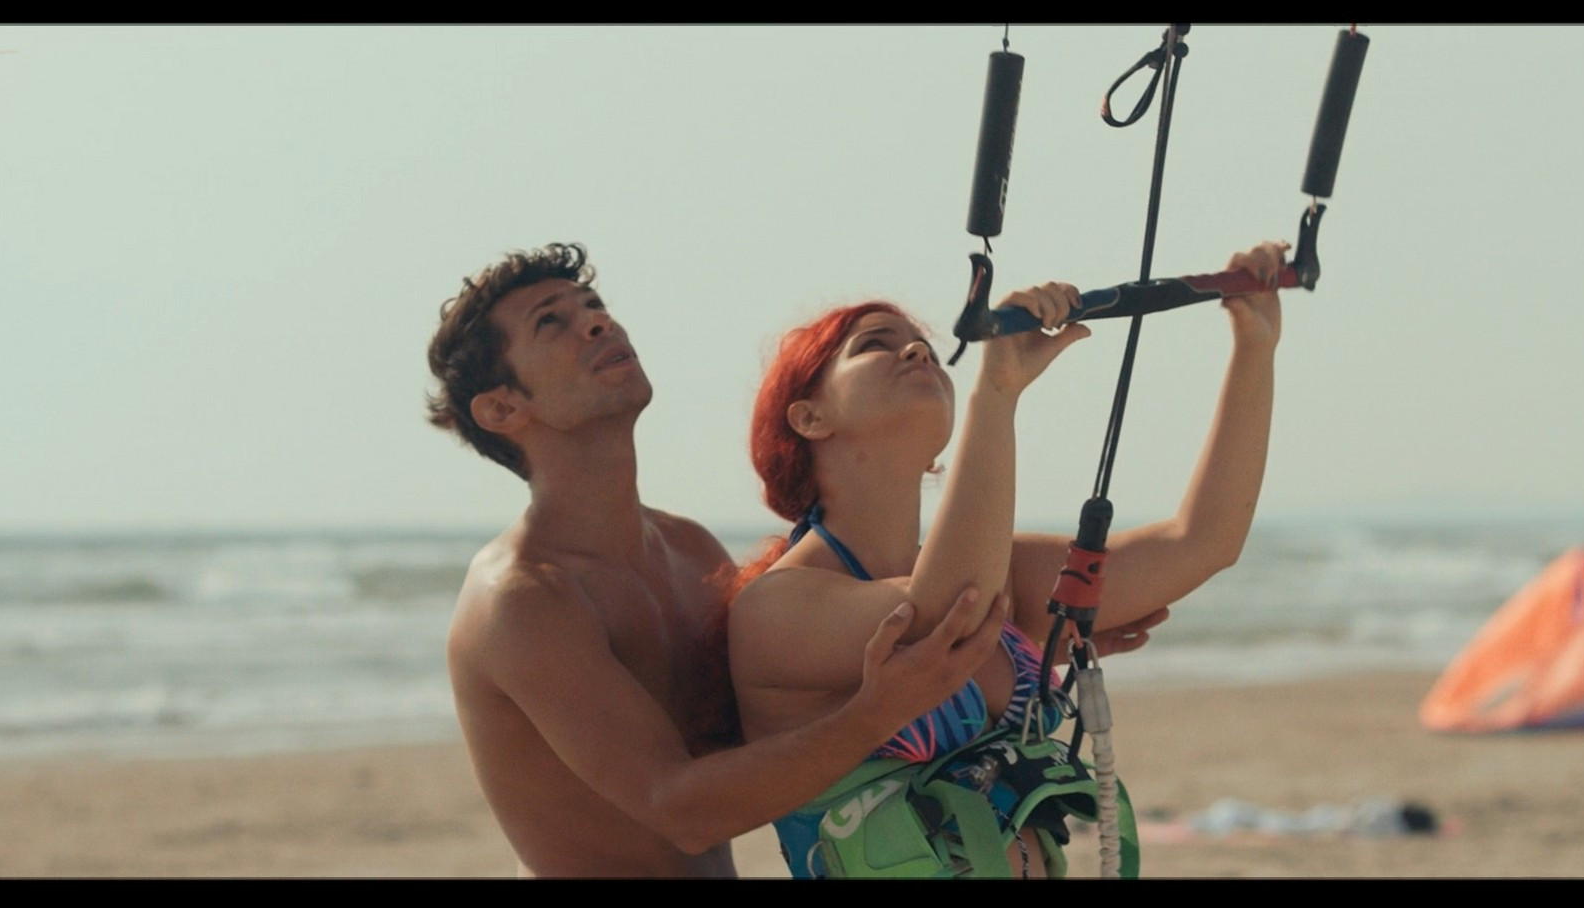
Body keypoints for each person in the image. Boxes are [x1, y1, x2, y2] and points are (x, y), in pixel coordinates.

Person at [425, 243, 1067, 877]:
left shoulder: (688, 551)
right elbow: (681, 810)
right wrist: (876, 714)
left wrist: (1023, 645)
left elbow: (778, 718)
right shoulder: (522, 599)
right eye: (551, 322)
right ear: (502, 408)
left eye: (593, 305)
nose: (597, 322)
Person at [727, 239, 1290, 878]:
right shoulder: (774, 607)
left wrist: (1255, 348)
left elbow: (1201, 543)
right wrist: (994, 396)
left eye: (925, 347)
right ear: (808, 417)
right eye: (874, 345)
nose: (917, 352)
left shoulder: (1001, 572)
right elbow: (946, 613)